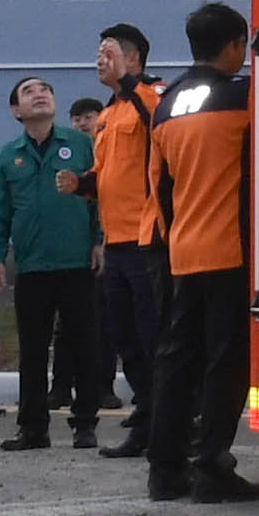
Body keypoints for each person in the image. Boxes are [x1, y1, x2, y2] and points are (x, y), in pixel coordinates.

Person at [147, 3, 259, 507]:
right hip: (229, 249)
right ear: (237, 45)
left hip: (183, 249)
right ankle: (212, 466)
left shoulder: (167, 103)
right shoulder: (244, 96)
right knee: (225, 363)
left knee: (177, 362)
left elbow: (160, 188)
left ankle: (164, 471)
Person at [0, 74, 99, 454]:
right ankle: (33, 427)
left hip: (76, 260)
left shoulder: (81, 144)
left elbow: (102, 194)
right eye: (29, 92)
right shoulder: (7, 156)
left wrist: (99, 240)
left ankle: (85, 423)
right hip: (33, 264)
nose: (40, 95)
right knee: (32, 349)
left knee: (84, 344)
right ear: (16, 110)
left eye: (46, 90)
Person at [81, 24, 167, 459]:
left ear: (133, 59)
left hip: (146, 239)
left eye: (109, 52)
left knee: (153, 339)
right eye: (99, 54)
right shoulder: (110, 112)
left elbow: (159, 122)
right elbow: (108, 174)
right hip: (115, 240)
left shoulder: (151, 96)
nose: (101, 61)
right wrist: (82, 185)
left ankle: (167, 426)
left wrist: (128, 82)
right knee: (126, 340)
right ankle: (146, 421)